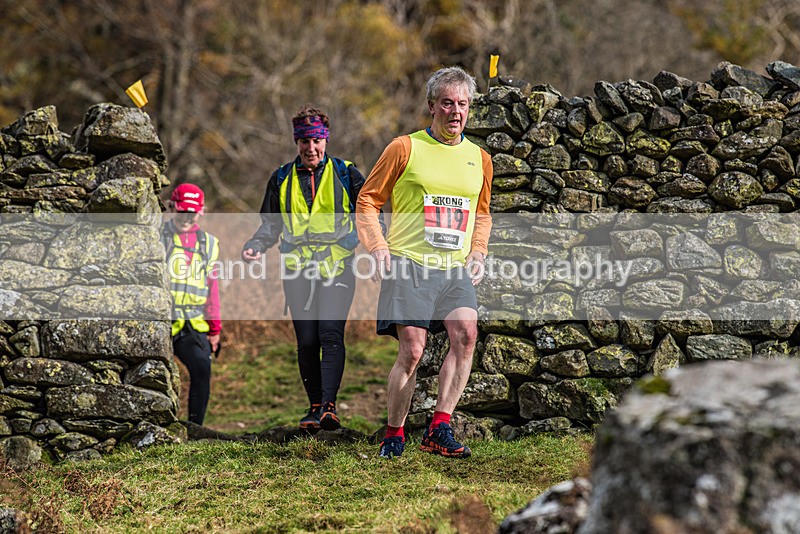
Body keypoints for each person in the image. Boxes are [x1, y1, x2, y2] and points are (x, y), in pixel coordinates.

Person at [356, 66, 493, 459]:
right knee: (413, 351)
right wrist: (378, 247)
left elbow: (482, 213)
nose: (456, 111)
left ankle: (439, 427)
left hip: (455, 267)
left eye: (463, 104)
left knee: (466, 335)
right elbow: (368, 200)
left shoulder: (480, 158)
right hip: (409, 262)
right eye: (448, 103)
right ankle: (394, 434)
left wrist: (478, 251)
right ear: (432, 106)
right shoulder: (404, 147)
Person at [242, 106, 364, 432]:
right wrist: (256, 245)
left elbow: (370, 213)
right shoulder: (280, 178)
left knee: (330, 334)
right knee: (307, 340)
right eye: (304, 142)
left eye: (317, 142)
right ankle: (313, 405)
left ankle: (329, 406)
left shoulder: (346, 173)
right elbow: (270, 226)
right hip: (297, 269)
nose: (311, 149)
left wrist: (369, 242)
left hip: (337, 266)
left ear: (326, 140)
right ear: (296, 142)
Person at [162, 183, 221, 426]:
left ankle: (195, 428)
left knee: (202, 367)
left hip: (193, 324)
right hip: (162, 323)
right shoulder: (157, 237)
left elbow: (212, 288)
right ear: (172, 207)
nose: (187, 218)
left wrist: (214, 329)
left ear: (201, 211)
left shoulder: (209, 243)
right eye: (182, 211)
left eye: (192, 213)